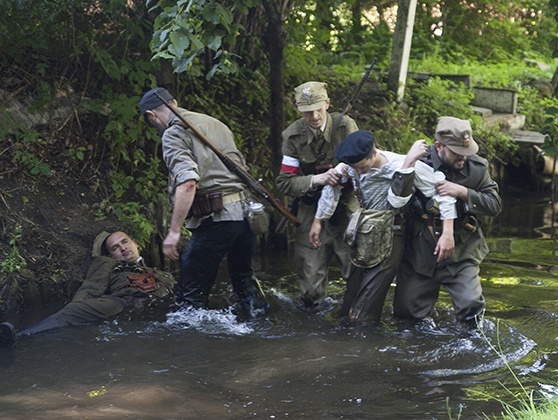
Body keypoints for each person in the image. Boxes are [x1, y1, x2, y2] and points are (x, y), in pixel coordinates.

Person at [139, 87, 269, 317]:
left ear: (151, 115)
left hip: (218, 217)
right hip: (246, 214)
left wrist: (174, 231)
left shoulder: (173, 134)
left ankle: (192, 342)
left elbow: (188, 182)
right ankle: (259, 322)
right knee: (243, 278)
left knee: (190, 294)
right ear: (175, 102)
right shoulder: (214, 122)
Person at [309, 130, 457, 326]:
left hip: (392, 235)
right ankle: (348, 334)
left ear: (374, 153)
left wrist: (447, 233)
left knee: (364, 313)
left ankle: (365, 344)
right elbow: (332, 187)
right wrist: (318, 221)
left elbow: (441, 195)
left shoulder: (399, 164)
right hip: (363, 234)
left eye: (362, 168)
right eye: (356, 169)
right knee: (349, 304)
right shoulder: (350, 165)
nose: (359, 173)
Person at [394, 116, 502, 327]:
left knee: (472, 307)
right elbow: (396, 197)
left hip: (462, 250)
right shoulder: (418, 162)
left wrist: (463, 192)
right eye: (456, 153)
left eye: (467, 152)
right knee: (407, 314)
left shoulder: (477, 168)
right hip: (420, 250)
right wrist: (407, 164)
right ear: (438, 146)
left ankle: (470, 348)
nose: (463, 158)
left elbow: (494, 205)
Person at [0, 231, 176, 347]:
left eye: (125, 242)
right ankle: (18, 337)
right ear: (110, 254)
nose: (123, 248)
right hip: (123, 302)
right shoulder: (107, 263)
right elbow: (92, 286)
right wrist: (79, 309)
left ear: (135, 243)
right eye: (115, 248)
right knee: (74, 311)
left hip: (161, 304)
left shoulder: (161, 273)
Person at [276, 81, 360, 308]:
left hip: (346, 204)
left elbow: (362, 165)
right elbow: (285, 182)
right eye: (306, 111)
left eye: (318, 109)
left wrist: (340, 174)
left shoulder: (345, 126)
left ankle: (355, 319)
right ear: (297, 109)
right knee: (310, 288)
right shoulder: (292, 136)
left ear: (327, 103)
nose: (313, 116)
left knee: (356, 270)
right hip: (310, 205)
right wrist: (317, 180)